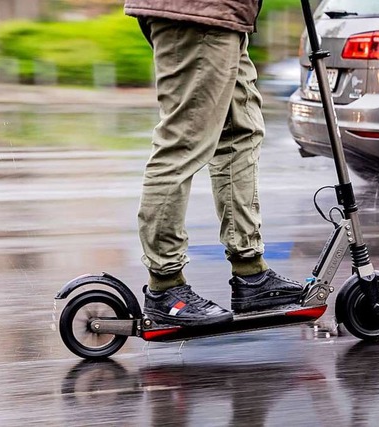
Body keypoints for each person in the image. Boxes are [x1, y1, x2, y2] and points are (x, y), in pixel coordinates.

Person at [124, 0, 304, 327]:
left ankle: (251, 274)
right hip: (198, 11)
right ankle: (166, 286)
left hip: (227, 14)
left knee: (240, 132)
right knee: (184, 141)